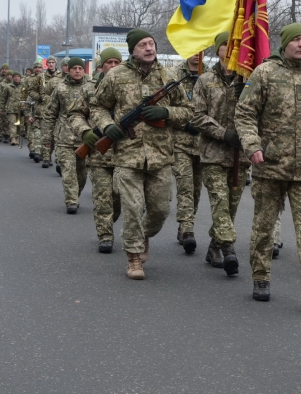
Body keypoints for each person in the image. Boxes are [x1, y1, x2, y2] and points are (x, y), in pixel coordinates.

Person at [234, 22, 301, 309]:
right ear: (286, 44)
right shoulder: (265, 73)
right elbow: (244, 114)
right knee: (264, 226)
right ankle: (261, 277)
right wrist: (253, 146)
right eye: (297, 40)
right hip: (270, 166)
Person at [90, 29, 193, 280]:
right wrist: (107, 126)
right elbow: (97, 107)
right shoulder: (115, 76)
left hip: (160, 156)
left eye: (152, 44)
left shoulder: (168, 76)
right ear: (133, 50)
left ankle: (144, 236)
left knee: (159, 211)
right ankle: (134, 257)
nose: (149, 48)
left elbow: (189, 112)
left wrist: (167, 113)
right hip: (127, 155)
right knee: (133, 208)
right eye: (143, 45)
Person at [191, 32, 250, 275]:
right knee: (219, 201)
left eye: (236, 43)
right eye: (227, 44)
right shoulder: (204, 81)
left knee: (231, 206)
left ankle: (214, 246)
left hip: (240, 155)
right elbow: (196, 116)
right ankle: (228, 249)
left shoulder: (248, 80)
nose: (232, 47)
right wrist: (223, 133)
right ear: (219, 50)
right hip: (213, 152)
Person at [84, 48, 123, 253]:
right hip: (99, 153)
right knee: (102, 197)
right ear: (101, 65)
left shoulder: (127, 86)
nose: (114, 66)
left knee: (118, 198)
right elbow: (75, 113)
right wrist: (84, 132)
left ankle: (109, 222)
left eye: (118, 62)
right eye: (110, 62)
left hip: (124, 153)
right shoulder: (89, 88)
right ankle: (105, 235)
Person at [44, 57, 93, 214]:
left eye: (80, 68)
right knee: (68, 172)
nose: (77, 71)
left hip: (85, 138)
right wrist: (47, 137)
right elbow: (50, 113)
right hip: (64, 137)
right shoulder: (60, 88)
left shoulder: (92, 87)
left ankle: (75, 195)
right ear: (68, 70)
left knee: (82, 173)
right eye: (74, 68)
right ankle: (71, 200)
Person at [171, 53, 203, 254]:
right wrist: (184, 123)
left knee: (196, 190)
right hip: (180, 142)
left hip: (203, 144)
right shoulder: (174, 76)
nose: (196, 55)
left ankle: (185, 225)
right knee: (185, 186)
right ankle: (187, 229)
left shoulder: (209, 76)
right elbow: (167, 108)